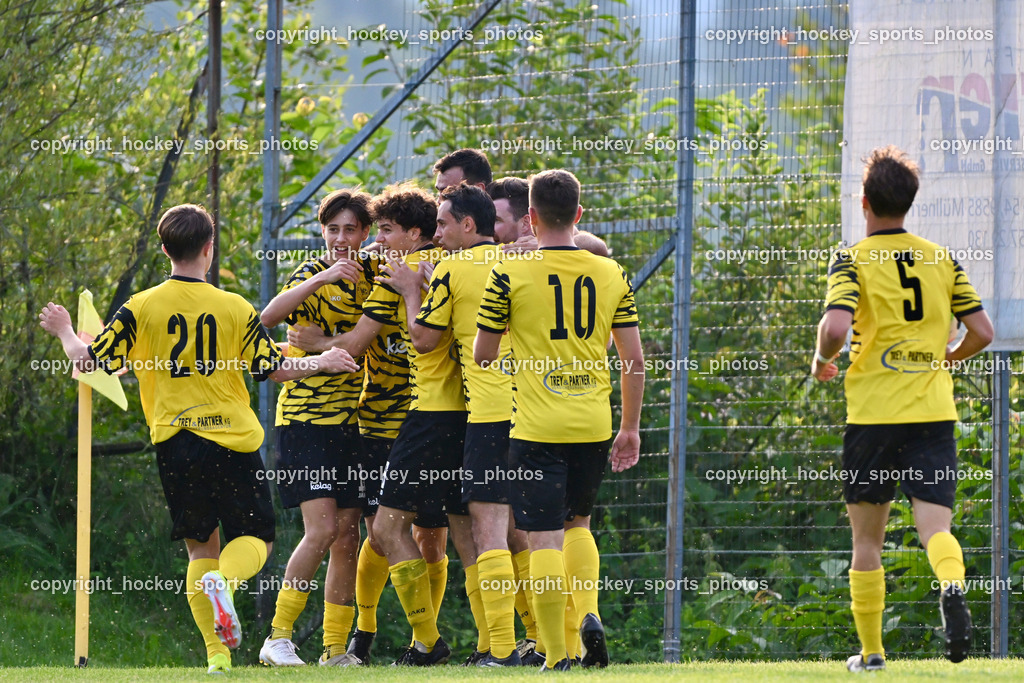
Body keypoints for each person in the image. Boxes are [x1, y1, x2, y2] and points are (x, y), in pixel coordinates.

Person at [38, 204, 358, 674]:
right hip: (233, 442)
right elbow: (275, 369)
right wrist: (323, 360)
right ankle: (224, 582)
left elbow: (90, 362)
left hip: (177, 444)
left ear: (165, 249)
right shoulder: (235, 307)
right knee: (257, 539)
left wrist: (65, 331)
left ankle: (217, 657)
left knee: (199, 549)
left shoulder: (141, 306)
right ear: (210, 247)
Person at [812, 145, 993, 672]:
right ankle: (952, 584)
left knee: (867, 540)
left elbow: (836, 328)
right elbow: (982, 331)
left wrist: (822, 360)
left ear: (864, 202)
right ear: (909, 203)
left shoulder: (852, 259)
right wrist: (948, 357)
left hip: (873, 417)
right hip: (932, 415)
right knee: (936, 529)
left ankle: (872, 654)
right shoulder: (941, 258)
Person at [287, 182, 465, 665]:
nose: (375, 240)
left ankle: (422, 641)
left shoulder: (398, 277)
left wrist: (317, 343)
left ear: (414, 233)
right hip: (402, 424)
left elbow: (355, 344)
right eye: (374, 231)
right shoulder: (451, 263)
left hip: (414, 423)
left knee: (395, 534)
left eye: (382, 230)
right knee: (411, 535)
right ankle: (373, 639)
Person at [474, 169, 646, 671]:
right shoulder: (611, 273)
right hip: (592, 423)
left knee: (543, 536)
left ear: (529, 218)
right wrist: (629, 428)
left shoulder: (508, 274)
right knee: (579, 525)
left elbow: (483, 354)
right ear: (579, 214)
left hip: (535, 426)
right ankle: (588, 612)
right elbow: (633, 360)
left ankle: (555, 655)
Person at [395, 184, 519, 666]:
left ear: (468, 224)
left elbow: (424, 339)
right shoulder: (518, 261)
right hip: (535, 412)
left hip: (488, 414)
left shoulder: (451, 268)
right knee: (536, 531)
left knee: (488, 531)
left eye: (443, 224)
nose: (437, 233)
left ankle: (502, 651)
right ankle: (550, 643)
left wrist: (413, 291)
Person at [256, 189, 374, 667]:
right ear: (322, 232)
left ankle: (333, 649)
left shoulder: (376, 276)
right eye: (332, 229)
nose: (341, 239)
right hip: (305, 421)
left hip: (353, 423)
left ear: (365, 233)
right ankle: (278, 636)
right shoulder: (310, 273)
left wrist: (323, 341)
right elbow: (266, 318)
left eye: (350, 230)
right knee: (321, 530)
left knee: (347, 537)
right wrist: (322, 275)